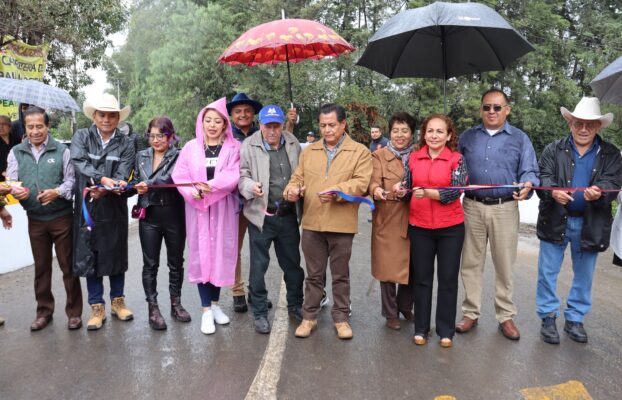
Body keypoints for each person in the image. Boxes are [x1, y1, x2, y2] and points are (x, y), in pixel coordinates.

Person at [536, 97, 622, 344]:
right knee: (547, 272)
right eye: (578, 124)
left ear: (598, 127)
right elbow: (543, 176)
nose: (583, 129)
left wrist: (600, 190)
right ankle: (548, 317)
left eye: (590, 125)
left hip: (590, 222)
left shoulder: (611, 153)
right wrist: (552, 191)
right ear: (570, 123)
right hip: (555, 219)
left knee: (584, 275)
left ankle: (575, 319)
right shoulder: (553, 149)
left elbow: (613, 183)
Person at [457, 89, 539, 340]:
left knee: (504, 264)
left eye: (497, 107)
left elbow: (530, 171)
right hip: (472, 206)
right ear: (480, 109)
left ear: (507, 109)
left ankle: (505, 316)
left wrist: (527, 185)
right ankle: (471, 312)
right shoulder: (467, 137)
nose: (491, 112)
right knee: (470, 263)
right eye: (486, 107)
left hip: (505, 207)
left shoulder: (520, 139)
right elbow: (454, 166)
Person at [285, 103, 372, 340]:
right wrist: (292, 190)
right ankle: (309, 317)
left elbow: (361, 182)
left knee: (340, 275)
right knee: (313, 275)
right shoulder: (309, 151)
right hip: (312, 223)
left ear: (343, 124)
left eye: (332, 125)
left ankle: (341, 318)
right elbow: (297, 177)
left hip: (341, 224)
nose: (327, 130)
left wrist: (339, 191)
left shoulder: (360, 152)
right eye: (323, 125)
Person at [7, 106, 82, 330]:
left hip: (61, 218)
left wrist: (56, 192)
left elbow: (71, 182)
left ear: (47, 126)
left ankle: (74, 313)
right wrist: (15, 190)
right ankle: (44, 312)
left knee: (68, 266)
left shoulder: (61, 150)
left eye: (39, 126)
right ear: (25, 127)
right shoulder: (16, 152)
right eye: (30, 127)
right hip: (35, 219)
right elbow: (11, 181)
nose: (35, 131)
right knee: (41, 268)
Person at [172, 97, 240, 335]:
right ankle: (205, 311)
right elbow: (180, 175)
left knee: (220, 255)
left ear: (224, 124)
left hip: (222, 209)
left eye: (217, 120)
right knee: (202, 256)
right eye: (207, 120)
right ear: (201, 122)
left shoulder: (233, 148)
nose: (212, 125)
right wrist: (194, 191)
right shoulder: (191, 148)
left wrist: (210, 186)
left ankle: (215, 305)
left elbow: (233, 175)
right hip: (198, 209)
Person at [71, 94, 135, 331]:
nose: (106, 119)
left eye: (111, 115)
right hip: (88, 206)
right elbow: (79, 162)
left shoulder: (127, 142)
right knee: (91, 256)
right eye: (102, 114)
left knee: (115, 254)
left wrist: (108, 188)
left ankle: (118, 302)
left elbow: (125, 170)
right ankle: (96, 307)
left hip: (113, 206)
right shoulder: (82, 136)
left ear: (118, 117)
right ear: (94, 116)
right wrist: (100, 180)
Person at [402, 114, 467, 348]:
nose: (434, 135)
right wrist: (401, 190)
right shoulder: (413, 157)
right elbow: (408, 187)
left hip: (450, 227)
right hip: (419, 226)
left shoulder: (457, 159)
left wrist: (428, 193)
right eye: (430, 131)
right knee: (422, 279)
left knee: (448, 280)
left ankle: (445, 330)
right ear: (424, 134)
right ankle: (421, 328)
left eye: (440, 131)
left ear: (449, 135)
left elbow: (455, 192)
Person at [239, 104, 305, 334]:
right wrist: (250, 186)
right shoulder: (249, 145)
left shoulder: (293, 142)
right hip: (261, 216)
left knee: (293, 266)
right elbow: (242, 175)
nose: (272, 131)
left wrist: (301, 188)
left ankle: (296, 305)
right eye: (268, 127)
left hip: (287, 216)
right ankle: (259, 312)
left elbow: (302, 172)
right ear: (260, 125)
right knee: (258, 267)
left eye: (276, 126)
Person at [132, 117, 190, 330]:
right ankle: (153, 308)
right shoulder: (140, 156)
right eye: (152, 136)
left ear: (171, 136)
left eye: (161, 135)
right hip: (149, 215)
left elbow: (171, 179)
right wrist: (131, 186)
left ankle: (176, 303)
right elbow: (136, 179)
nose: (156, 140)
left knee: (176, 262)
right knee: (150, 264)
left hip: (174, 214)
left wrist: (147, 184)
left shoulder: (179, 155)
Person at [369, 112, 416, 331]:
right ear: (389, 132)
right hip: (389, 215)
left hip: (418, 216)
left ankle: (405, 305)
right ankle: (390, 313)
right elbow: (373, 184)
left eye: (404, 130)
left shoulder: (421, 155)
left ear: (412, 133)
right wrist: (379, 191)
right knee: (387, 267)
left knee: (415, 265)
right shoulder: (379, 156)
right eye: (395, 130)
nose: (399, 135)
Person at [227, 92, 263, 313]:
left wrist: (290, 122)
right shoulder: (225, 136)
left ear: (253, 113)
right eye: (238, 111)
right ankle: (237, 291)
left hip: (258, 198)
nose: (243, 114)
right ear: (231, 114)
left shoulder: (262, 134)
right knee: (235, 248)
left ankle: (257, 290)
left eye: (247, 110)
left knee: (259, 248)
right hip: (233, 200)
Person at [1, 115, 22, 181]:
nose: (1, 127)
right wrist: (2, 171)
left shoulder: (17, 140)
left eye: (4, 124)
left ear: (10, 126)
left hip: (15, 176)